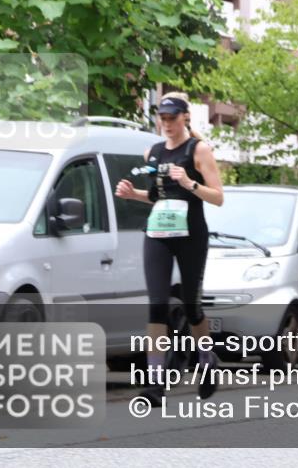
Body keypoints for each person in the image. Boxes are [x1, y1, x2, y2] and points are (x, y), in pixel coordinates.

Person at [115, 92, 225, 404]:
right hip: (159, 232)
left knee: (191, 305)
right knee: (157, 305)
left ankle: (206, 361)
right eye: (162, 118)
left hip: (191, 234)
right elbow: (156, 196)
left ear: (184, 118)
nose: (167, 124)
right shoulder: (153, 151)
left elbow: (218, 197)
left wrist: (190, 182)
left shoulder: (198, 149)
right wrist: (132, 194)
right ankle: (155, 383)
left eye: (172, 118)